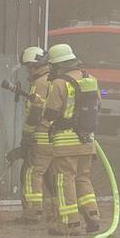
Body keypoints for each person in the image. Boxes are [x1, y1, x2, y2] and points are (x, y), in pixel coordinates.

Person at [49, 43, 104, 234]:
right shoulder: (91, 79)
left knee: (65, 180)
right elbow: (98, 106)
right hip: (87, 140)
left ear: (58, 65)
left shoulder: (59, 83)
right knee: (83, 178)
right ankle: (93, 217)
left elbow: (51, 113)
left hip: (66, 142)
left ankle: (69, 223)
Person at [29, 43, 74, 228]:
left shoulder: (50, 84)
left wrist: (27, 134)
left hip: (49, 135)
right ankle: (87, 217)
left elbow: (45, 112)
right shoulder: (81, 81)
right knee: (68, 178)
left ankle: (35, 212)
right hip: (73, 137)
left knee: (35, 172)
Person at [16, 45, 53, 220]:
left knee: (31, 173)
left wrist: (26, 136)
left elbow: (35, 114)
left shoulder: (40, 83)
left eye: (27, 68)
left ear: (33, 66)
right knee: (53, 177)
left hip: (42, 137)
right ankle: (56, 212)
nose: (27, 72)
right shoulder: (55, 80)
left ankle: (32, 212)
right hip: (57, 138)